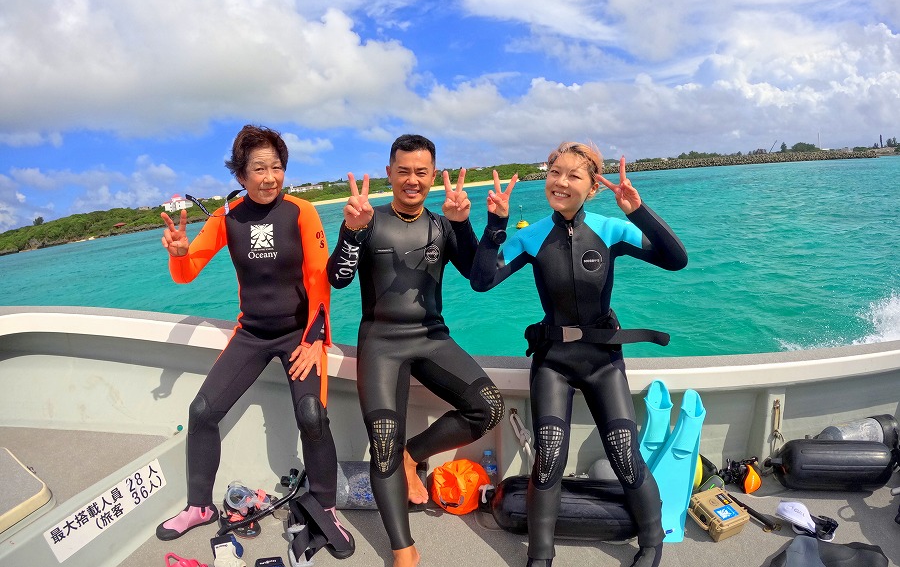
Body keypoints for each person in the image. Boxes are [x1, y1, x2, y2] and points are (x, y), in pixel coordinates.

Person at [470, 143, 688, 567]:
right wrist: (496, 223)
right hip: (554, 361)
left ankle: (651, 542)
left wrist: (637, 211)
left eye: (573, 175)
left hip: (603, 361)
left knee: (625, 453)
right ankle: (540, 554)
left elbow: (675, 259)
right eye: (555, 172)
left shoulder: (609, 229)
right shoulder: (532, 237)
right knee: (549, 455)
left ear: (592, 188)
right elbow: (482, 280)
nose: (561, 181)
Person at [155, 125, 352, 551]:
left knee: (312, 416)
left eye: (277, 167)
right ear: (240, 176)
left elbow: (320, 279)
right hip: (252, 333)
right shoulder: (228, 219)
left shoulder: (301, 212)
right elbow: (187, 273)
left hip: (299, 333)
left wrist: (316, 338)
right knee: (203, 410)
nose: (270, 177)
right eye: (259, 169)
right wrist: (177, 253)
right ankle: (199, 507)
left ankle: (326, 505)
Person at [327, 134, 504, 567]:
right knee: (383, 442)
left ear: (432, 176)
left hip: (431, 336)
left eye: (421, 172)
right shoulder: (367, 220)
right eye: (403, 171)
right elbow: (338, 278)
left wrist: (472, 224)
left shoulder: (442, 225)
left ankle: (414, 455)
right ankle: (403, 549)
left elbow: (480, 278)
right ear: (389, 173)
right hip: (381, 343)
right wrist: (351, 233)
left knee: (490, 407)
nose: (412, 180)